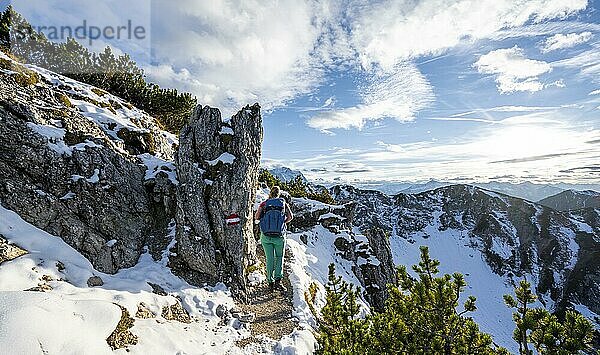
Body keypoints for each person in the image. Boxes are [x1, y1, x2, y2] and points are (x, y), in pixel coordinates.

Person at [255, 186, 293, 293]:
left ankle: (270, 283)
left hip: (266, 236)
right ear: (279, 194)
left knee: (269, 258)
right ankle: (278, 281)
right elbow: (290, 217)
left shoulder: (264, 203)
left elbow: (257, 217)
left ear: (270, 193)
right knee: (279, 257)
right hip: (279, 237)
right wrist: (282, 223)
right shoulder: (283, 203)